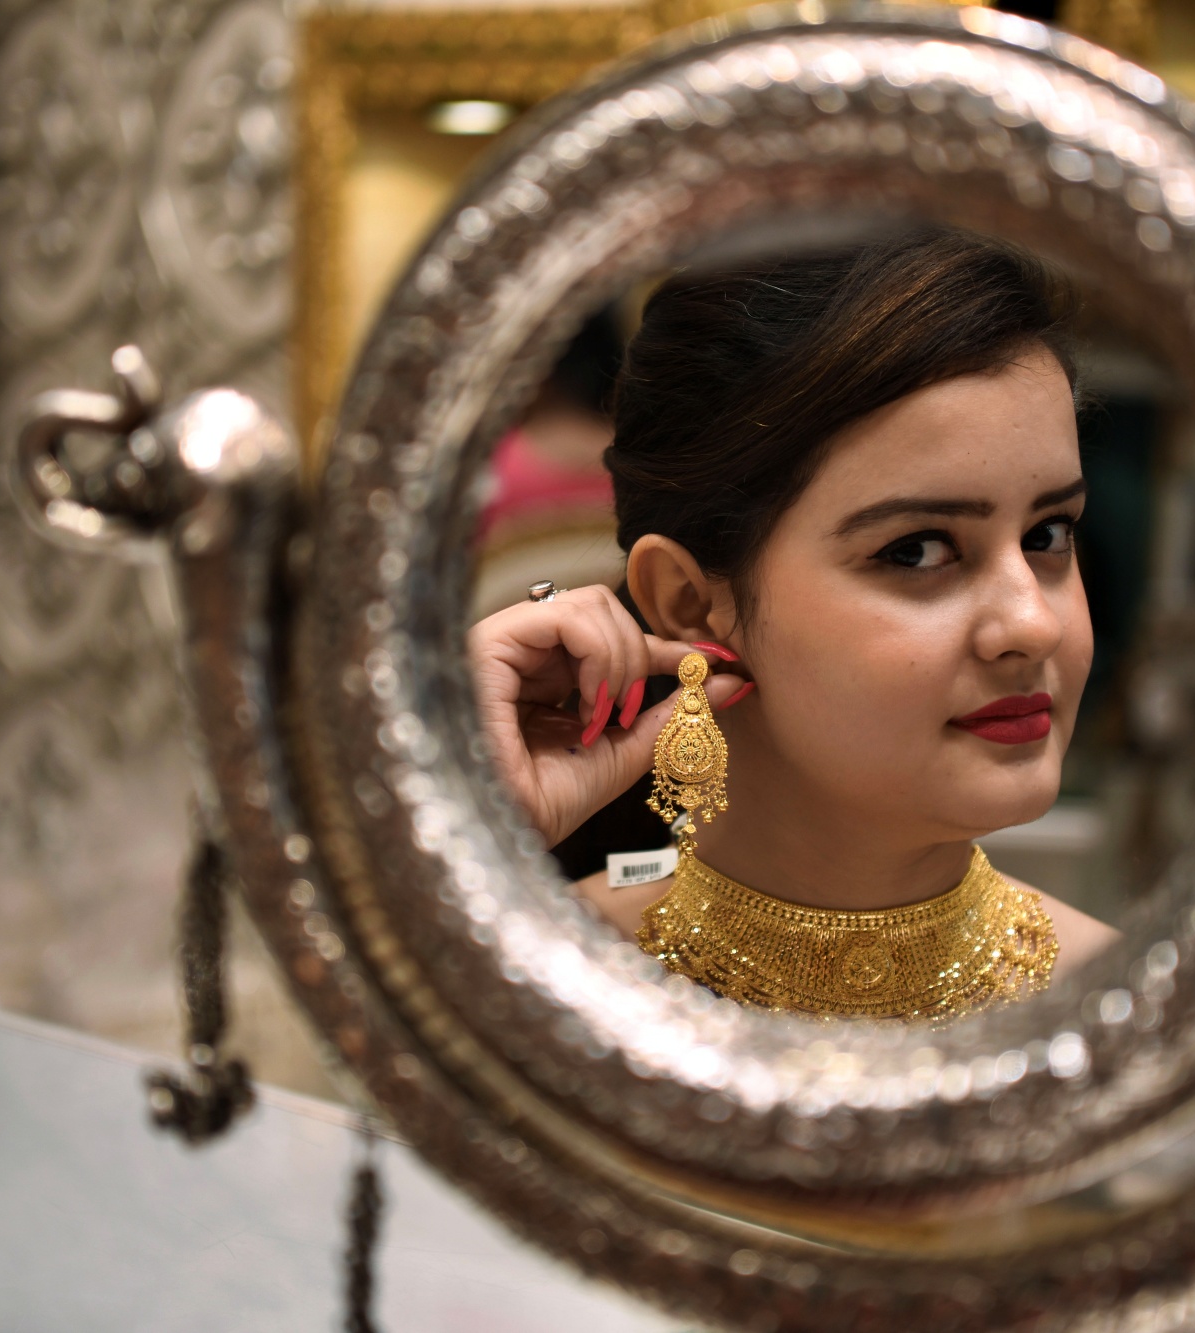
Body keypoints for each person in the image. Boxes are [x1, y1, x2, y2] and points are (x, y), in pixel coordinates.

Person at [467, 225, 1117, 1020]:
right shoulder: (534, 998)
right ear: (685, 600)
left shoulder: (1136, 1017)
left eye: (1048, 535)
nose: (1032, 623)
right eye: (917, 550)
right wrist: (469, 827)